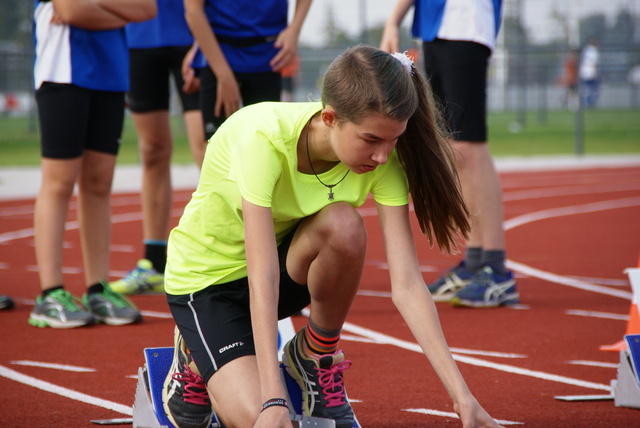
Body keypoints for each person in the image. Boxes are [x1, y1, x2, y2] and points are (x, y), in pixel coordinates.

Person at [161, 45, 503, 428]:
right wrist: (273, 401)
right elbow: (262, 275)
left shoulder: (383, 160)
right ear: (330, 117)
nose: (382, 156)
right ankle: (193, 354)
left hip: (280, 270)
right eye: (372, 139)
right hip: (209, 284)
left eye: (394, 141)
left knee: (344, 225)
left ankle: (313, 357)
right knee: (257, 418)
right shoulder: (263, 140)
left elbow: (407, 284)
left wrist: (463, 398)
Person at [381, 0, 519, 308]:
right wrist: (394, 21)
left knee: (469, 144)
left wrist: (393, 20)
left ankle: (496, 268)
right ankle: (475, 262)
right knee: (453, 147)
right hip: (436, 28)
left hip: (467, 25)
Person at [28, 0, 156, 328]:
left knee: (99, 183)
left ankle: (97, 288)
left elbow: (146, 10)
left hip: (111, 75)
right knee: (59, 181)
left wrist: (94, 4)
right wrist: (118, 11)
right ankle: (50, 293)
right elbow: (71, 11)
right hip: (62, 73)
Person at [110, 0, 206, 295]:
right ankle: (153, 263)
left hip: (192, 36)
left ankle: (216, 260)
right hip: (139, 38)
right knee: (152, 150)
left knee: (207, 149)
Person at [183, 0, 312, 142]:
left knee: (265, 144)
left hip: (267, 55)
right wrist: (224, 75)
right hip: (219, 53)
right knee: (218, 145)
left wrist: (294, 29)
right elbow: (193, 10)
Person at [579, 38, 600, 108]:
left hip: (584, 73)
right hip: (591, 73)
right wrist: (596, 73)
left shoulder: (585, 50)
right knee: (593, 90)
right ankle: (590, 104)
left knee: (585, 90)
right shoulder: (594, 51)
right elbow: (594, 63)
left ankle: (584, 104)